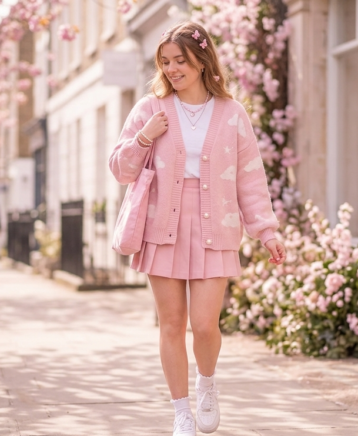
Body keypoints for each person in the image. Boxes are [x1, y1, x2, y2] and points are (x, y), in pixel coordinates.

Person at [108, 22, 286, 436]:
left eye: (180, 61)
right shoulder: (148, 110)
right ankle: (181, 411)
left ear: (202, 61)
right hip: (161, 225)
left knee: (205, 324)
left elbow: (250, 177)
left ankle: (207, 383)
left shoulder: (232, 113)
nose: (172, 69)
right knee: (171, 324)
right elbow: (120, 169)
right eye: (165, 62)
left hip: (216, 223)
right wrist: (143, 139)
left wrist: (266, 230)